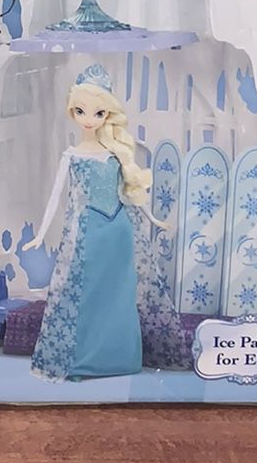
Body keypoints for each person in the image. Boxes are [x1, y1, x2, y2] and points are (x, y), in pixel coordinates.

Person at [31, 64, 186, 380]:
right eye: (81, 111)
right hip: (88, 232)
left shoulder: (116, 153)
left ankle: (122, 358)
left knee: (121, 296)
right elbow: (55, 198)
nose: (89, 119)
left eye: (98, 113)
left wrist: (153, 219)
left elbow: (131, 192)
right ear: (72, 111)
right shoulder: (72, 155)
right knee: (88, 295)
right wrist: (40, 233)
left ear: (108, 114)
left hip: (118, 231)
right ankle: (86, 359)